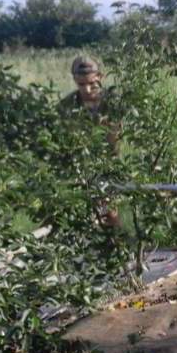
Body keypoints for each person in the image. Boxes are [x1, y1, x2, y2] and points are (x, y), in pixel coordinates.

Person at [60, 56, 121, 227]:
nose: (86, 89)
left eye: (91, 83)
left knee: (109, 211)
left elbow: (116, 142)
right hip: (80, 166)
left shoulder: (113, 102)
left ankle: (121, 246)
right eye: (81, 84)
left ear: (100, 77)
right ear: (74, 80)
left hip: (109, 164)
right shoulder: (67, 105)